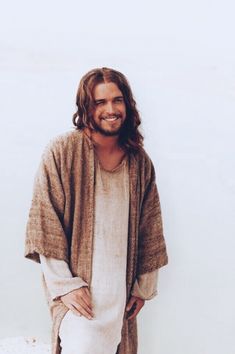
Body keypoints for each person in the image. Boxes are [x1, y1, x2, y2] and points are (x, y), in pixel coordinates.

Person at [25, 67, 168, 354]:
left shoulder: (139, 163)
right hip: (78, 296)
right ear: (85, 107)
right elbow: (45, 223)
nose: (111, 109)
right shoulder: (62, 152)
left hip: (119, 296)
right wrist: (66, 286)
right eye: (100, 102)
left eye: (117, 100)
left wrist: (142, 288)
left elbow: (149, 228)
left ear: (128, 104)